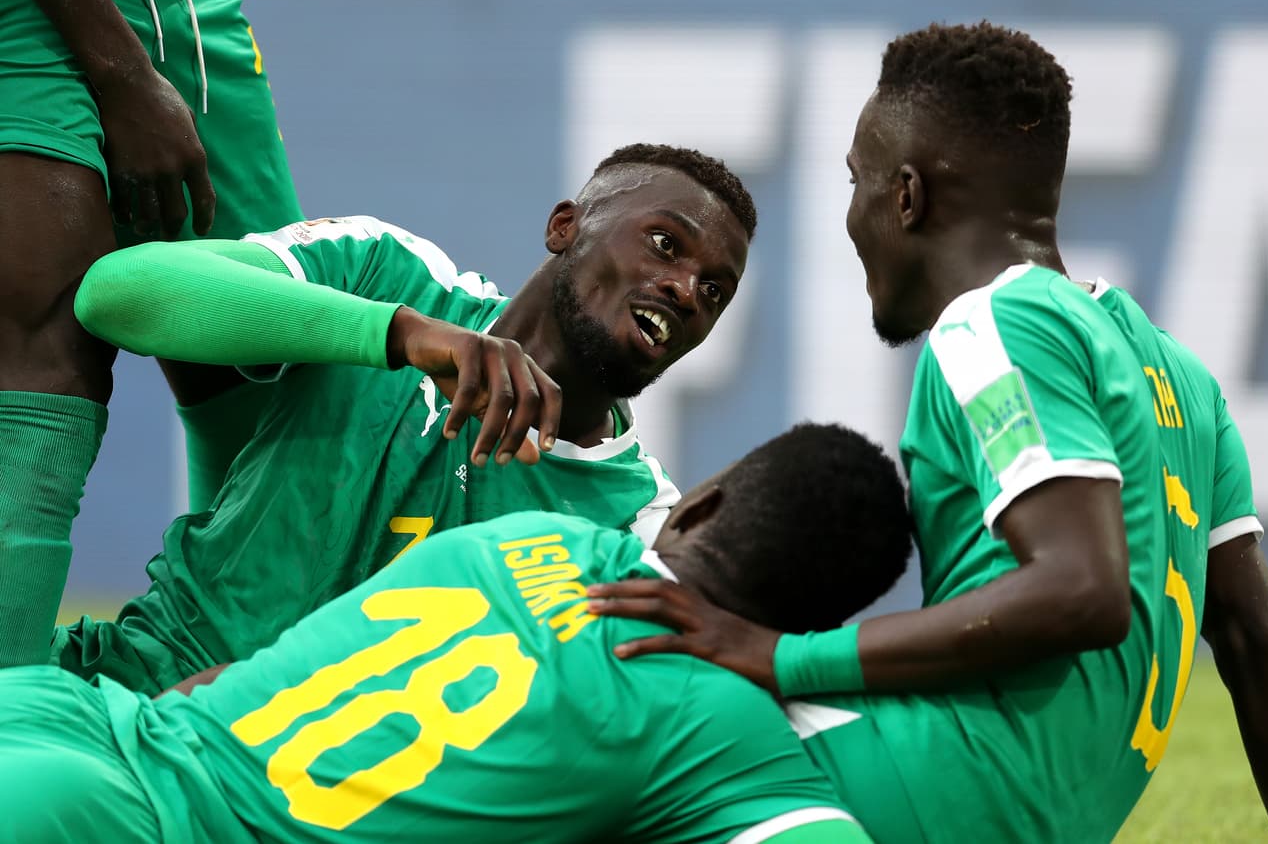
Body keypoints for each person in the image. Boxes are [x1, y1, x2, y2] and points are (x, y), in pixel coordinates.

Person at [587, 23, 1268, 841]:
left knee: (617, 689)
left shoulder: (990, 326)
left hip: (947, 779)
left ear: (906, 196)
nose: (851, 216)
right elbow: (1254, 638)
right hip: (1057, 818)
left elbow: (1083, 590)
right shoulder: (1184, 379)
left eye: (858, 181)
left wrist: (781, 657)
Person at [44, 143, 758, 699]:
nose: (686, 289)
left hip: (299, 811)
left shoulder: (635, 527)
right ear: (564, 226)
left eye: (715, 290)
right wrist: (401, 335)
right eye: (666, 244)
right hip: (114, 706)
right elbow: (116, 293)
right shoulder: (388, 275)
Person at [0, 423, 912, 843]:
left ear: (702, 503)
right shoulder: (724, 730)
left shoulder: (532, 532)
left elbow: (225, 680)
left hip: (69, 721)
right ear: (814, 621)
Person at [0, 0, 302, 668]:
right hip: (28, 11)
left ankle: (225, 732)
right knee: (41, 361)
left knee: (270, 381)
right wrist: (122, 73)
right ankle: (9, 736)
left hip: (192, 19)